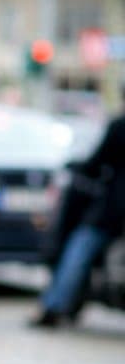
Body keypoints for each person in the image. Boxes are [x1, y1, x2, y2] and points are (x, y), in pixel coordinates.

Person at [31, 93, 125, 327]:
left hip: (115, 209)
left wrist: (77, 167)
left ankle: (54, 306)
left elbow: (96, 163)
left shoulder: (119, 126)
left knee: (79, 249)